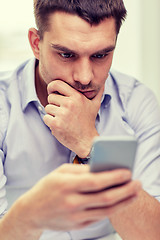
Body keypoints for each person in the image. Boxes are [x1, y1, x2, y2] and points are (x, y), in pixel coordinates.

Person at [0, 0, 160, 239]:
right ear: (36, 44)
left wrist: (90, 144)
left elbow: (152, 233)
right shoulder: (4, 106)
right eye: (66, 54)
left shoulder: (137, 102)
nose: (84, 77)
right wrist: (31, 212)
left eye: (100, 55)